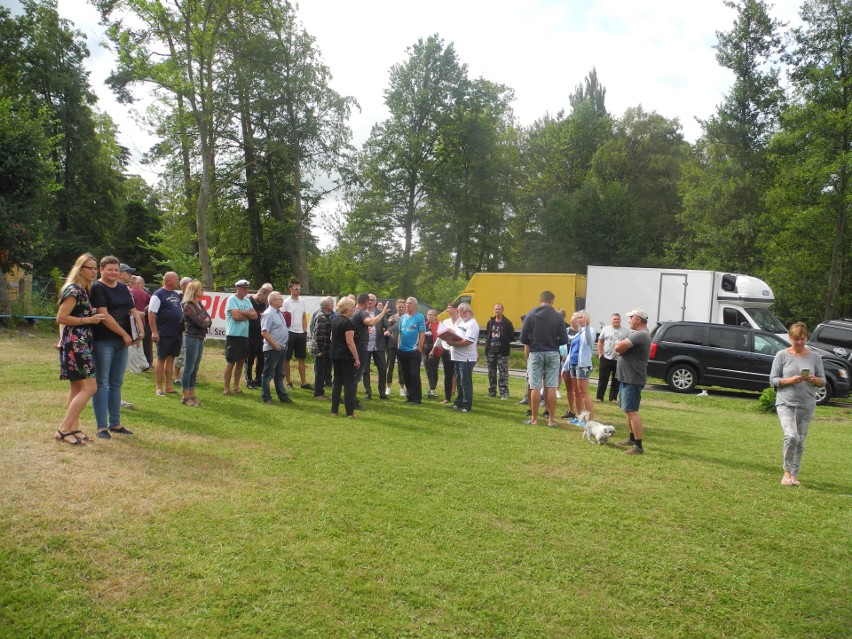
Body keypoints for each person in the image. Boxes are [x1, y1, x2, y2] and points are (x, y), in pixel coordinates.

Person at [54, 253, 106, 445]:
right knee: (91, 387)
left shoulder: (83, 290)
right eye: (90, 268)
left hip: (79, 341)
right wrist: (88, 320)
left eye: (95, 268)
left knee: (77, 386)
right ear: (80, 269)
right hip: (77, 343)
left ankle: (73, 428)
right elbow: (61, 317)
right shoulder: (74, 290)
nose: (94, 271)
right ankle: (64, 429)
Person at [90, 255, 144, 439]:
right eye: (109, 269)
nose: (113, 273)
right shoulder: (97, 287)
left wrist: (140, 331)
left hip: (123, 342)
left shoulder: (122, 287)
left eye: (116, 270)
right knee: (101, 383)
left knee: (116, 383)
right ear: (101, 270)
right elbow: (104, 315)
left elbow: (133, 311)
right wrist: (124, 334)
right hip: (103, 340)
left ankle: (116, 423)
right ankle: (101, 427)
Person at [770, 322, 825, 486]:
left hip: (807, 403)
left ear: (806, 338)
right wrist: (789, 380)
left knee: (800, 440)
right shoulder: (782, 355)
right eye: (796, 339)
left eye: (802, 339)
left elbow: (823, 381)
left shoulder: (815, 357)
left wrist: (815, 380)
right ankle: (786, 472)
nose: (799, 342)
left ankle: (794, 475)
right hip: (785, 402)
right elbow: (772, 380)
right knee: (791, 436)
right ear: (790, 338)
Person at [519, 291, 567, 427]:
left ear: (540, 299)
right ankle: (551, 420)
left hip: (536, 352)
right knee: (551, 386)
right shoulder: (558, 317)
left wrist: (533, 341)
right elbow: (563, 339)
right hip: (552, 353)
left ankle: (534, 419)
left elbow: (523, 338)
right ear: (552, 301)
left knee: (534, 386)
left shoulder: (531, 314)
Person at [615, 308, 652, 455]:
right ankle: (631, 439)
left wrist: (620, 347)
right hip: (627, 377)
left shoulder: (640, 335)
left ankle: (638, 446)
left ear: (638, 319)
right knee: (627, 410)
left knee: (632, 411)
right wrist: (620, 349)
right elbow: (619, 350)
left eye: (631, 317)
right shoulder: (638, 334)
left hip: (633, 378)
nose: (629, 320)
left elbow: (618, 347)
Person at [148, 271, 184, 396]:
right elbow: (151, 313)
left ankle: (168, 386)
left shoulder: (175, 294)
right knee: (161, 359)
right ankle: (158, 387)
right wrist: (154, 332)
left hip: (176, 332)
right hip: (164, 332)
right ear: (168, 280)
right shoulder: (158, 294)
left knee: (171, 358)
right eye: (176, 279)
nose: (178, 282)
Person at [442, 302, 480, 412]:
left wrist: (453, 343)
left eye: (462, 313)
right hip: (457, 356)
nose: (461, 315)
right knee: (459, 381)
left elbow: (468, 341)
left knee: (465, 382)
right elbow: (459, 336)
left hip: (466, 357)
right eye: (459, 313)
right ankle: (459, 402)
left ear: (468, 312)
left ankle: (467, 404)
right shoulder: (462, 322)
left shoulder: (472, 324)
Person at [223, 279, 257, 395]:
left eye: (247, 288)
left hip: (244, 335)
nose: (246, 290)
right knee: (231, 362)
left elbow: (255, 315)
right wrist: (247, 314)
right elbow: (236, 316)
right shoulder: (232, 299)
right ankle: (226, 388)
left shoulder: (247, 301)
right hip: (233, 335)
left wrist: (243, 313)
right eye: (243, 288)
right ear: (237, 288)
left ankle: (236, 386)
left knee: (241, 361)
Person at [180, 279, 211, 407]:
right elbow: (201, 322)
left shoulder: (200, 304)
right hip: (191, 338)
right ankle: (185, 396)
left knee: (195, 368)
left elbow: (209, 320)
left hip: (200, 338)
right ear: (194, 291)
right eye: (201, 289)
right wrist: (205, 320)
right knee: (188, 368)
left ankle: (192, 394)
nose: (202, 291)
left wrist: (206, 320)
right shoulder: (188, 306)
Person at [260, 291, 294, 405]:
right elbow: (264, 332)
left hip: (281, 348)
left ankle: (283, 396)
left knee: (279, 374)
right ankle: (266, 397)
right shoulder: (269, 313)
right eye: (280, 299)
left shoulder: (278, 313)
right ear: (273, 301)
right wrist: (275, 345)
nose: (282, 301)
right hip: (272, 349)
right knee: (268, 374)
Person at [330, 297, 359, 417]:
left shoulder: (335, 320)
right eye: (352, 307)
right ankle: (349, 412)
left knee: (337, 382)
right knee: (348, 384)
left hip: (335, 355)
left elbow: (331, 337)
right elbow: (350, 342)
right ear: (347, 308)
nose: (353, 310)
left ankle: (334, 411)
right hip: (346, 356)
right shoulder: (348, 323)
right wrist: (356, 358)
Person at [283, 279, 312, 389]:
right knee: (287, 358)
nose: (299, 291)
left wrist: (304, 331)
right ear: (290, 289)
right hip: (289, 332)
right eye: (296, 289)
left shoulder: (302, 301)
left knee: (302, 358)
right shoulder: (286, 302)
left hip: (300, 333)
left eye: (300, 288)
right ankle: (288, 382)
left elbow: (304, 317)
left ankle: (304, 382)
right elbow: (284, 318)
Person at [397, 297, 426, 405]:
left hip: (414, 350)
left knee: (414, 374)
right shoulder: (403, 317)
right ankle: (409, 396)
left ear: (415, 305)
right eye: (406, 303)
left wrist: (419, 348)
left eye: (409, 303)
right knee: (406, 374)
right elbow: (400, 332)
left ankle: (417, 398)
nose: (407, 305)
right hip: (402, 350)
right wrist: (398, 346)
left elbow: (422, 333)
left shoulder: (419, 317)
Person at [568, 310, 596, 421]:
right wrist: (566, 365)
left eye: (581, 318)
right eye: (578, 317)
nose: (579, 320)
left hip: (582, 365)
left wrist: (588, 327)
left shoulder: (590, 330)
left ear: (587, 319)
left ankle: (590, 419)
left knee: (584, 392)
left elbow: (590, 342)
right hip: (573, 364)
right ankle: (580, 417)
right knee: (576, 392)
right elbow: (572, 350)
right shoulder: (578, 332)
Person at [362, 294, 390, 400]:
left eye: (372, 300)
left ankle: (382, 393)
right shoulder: (362, 313)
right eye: (368, 300)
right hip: (365, 346)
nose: (370, 302)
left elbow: (388, 325)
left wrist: (388, 330)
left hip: (378, 345)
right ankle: (367, 393)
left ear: (376, 301)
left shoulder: (380, 313)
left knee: (382, 369)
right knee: (365, 370)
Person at [431, 303, 460, 404]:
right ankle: (447, 398)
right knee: (447, 374)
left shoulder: (462, 321)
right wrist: (434, 348)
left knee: (459, 374)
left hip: (458, 351)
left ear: (456, 309)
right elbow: (440, 336)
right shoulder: (445, 322)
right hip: (446, 350)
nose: (447, 310)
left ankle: (460, 398)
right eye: (447, 308)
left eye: (449, 308)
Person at [485, 303, 515, 400]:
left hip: (502, 351)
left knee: (503, 373)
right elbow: (488, 334)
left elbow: (511, 336)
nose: (497, 311)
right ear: (494, 310)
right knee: (491, 372)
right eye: (496, 309)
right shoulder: (490, 322)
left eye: (499, 309)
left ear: (502, 310)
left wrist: (504, 343)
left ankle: (504, 393)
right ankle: (492, 392)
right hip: (491, 350)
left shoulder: (507, 322)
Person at [597, 313, 629, 402]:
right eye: (614, 319)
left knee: (616, 380)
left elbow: (629, 343)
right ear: (611, 320)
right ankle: (599, 397)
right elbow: (600, 341)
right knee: (603, 379)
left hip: (619, 359)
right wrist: (600, 354)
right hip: (606, 358)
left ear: (620, 320)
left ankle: (613, 398)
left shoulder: (626, 331)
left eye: (617, 319)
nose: (616, 321)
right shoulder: (605, 329)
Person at [245, 283, 272, 389]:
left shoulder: (264, 304)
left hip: (262, 335)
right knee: (250, 359)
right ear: (259, 294)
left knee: (261, 358)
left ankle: (258, 379)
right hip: (250, 334)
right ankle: (249, 379)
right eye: (264, 299)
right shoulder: (248, 302)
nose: (265, 302)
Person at [309, 296, 334, 399]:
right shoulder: (321, 317)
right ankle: (318, 393)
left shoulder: (328, 315)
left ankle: (321, 392)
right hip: (321, 350)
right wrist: (320, 350)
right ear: (327, 305)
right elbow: (319, 335)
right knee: (319, 372)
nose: (333, 305)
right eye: (332, 303)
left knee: (324, 371)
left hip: (327, 349)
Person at [171, 276, 193, 385]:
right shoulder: (177, 298)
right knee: (180, 353)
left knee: (191, 354)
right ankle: (176, 377)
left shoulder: (193, 299)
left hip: (192, 330)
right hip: (181, 329)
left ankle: (188, 376)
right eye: (190, 284)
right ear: (183, 286)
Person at [384, 298, 406, 397]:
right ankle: (388, 387)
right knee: (389, 366)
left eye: (402, 307)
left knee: (402, 368)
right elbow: (386, 328)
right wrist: (389, 324)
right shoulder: (392, 317)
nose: (401, 308)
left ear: (405, 308)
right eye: (399, 307)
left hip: (402, 346)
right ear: (396, 307)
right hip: (391, 345)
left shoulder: (407, 318)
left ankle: (402, 388)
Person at [131, 275, 153, 367]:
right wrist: (144, 309)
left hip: (132, 320)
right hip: (142, 321)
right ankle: (143, 363)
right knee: (139, 342)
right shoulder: (144, 293)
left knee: (133, 342)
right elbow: (152, 301)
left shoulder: (129, 292)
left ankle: (135, 363)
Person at [423, 309, 441, 398]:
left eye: (431, 315)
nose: (429, 316)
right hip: (425, 351)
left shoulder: (438, 326)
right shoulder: (425, 325)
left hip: (435, 351)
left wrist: (433, 350)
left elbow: (439, 339)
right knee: (428, 370)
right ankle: (432, 389)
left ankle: (433, 389)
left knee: (434, 370)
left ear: (435, 316)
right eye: (428, 315)